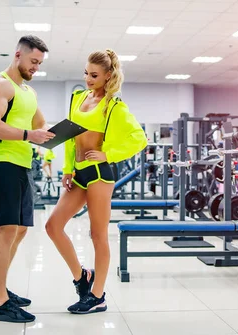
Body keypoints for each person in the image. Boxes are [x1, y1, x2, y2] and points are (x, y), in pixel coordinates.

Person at [45, 49, 147, 314]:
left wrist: (108, 154)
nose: (88, 79)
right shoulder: (78, 98)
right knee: (53, 226)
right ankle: (81, 277)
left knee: (98, 235)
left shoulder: (114, 105)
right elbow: (70, 136)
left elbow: (139, 138)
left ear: (108, 76)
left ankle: (97, 295)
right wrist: (67, 169)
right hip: (79, 174)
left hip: (100, 175)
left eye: (94, 75)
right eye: (86, 73)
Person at [0, 35, 54, 323]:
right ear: (18, 55)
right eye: (33, 61)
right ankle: (0, 301)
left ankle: (0, 290)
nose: (36, 67)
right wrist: (28, 136)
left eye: (40, 63)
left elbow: (38, 124)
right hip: (2, 164)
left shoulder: (28, 92)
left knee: (20, 229)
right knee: (5, 231)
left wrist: (56, 132)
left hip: (23, 165)